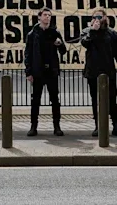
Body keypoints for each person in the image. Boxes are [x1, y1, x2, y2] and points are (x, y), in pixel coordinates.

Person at [80, 8, 117, 137]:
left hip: (108, 70)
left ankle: (116, 125)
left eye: (100, 17)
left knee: (112, 99)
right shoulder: (87, 31)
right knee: (96, 100)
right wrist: (93, 31)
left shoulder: (111, 33)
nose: (98, 19)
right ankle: (98, 126)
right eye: (95, 17)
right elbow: (85, 43)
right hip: (93, 71)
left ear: (105, 18)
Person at [24, 7, 66, 137]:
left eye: (49, 15)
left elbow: (63, 51)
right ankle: (33, 127)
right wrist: (28, 72)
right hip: (38, 71)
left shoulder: (54, 32)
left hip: (51, 71)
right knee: (35, 100)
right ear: (39, 17)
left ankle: (57, 126)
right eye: (45, 15)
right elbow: (28, 54)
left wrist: (60, 44)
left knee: (55, 99)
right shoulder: (33, 34)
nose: (47, 17)